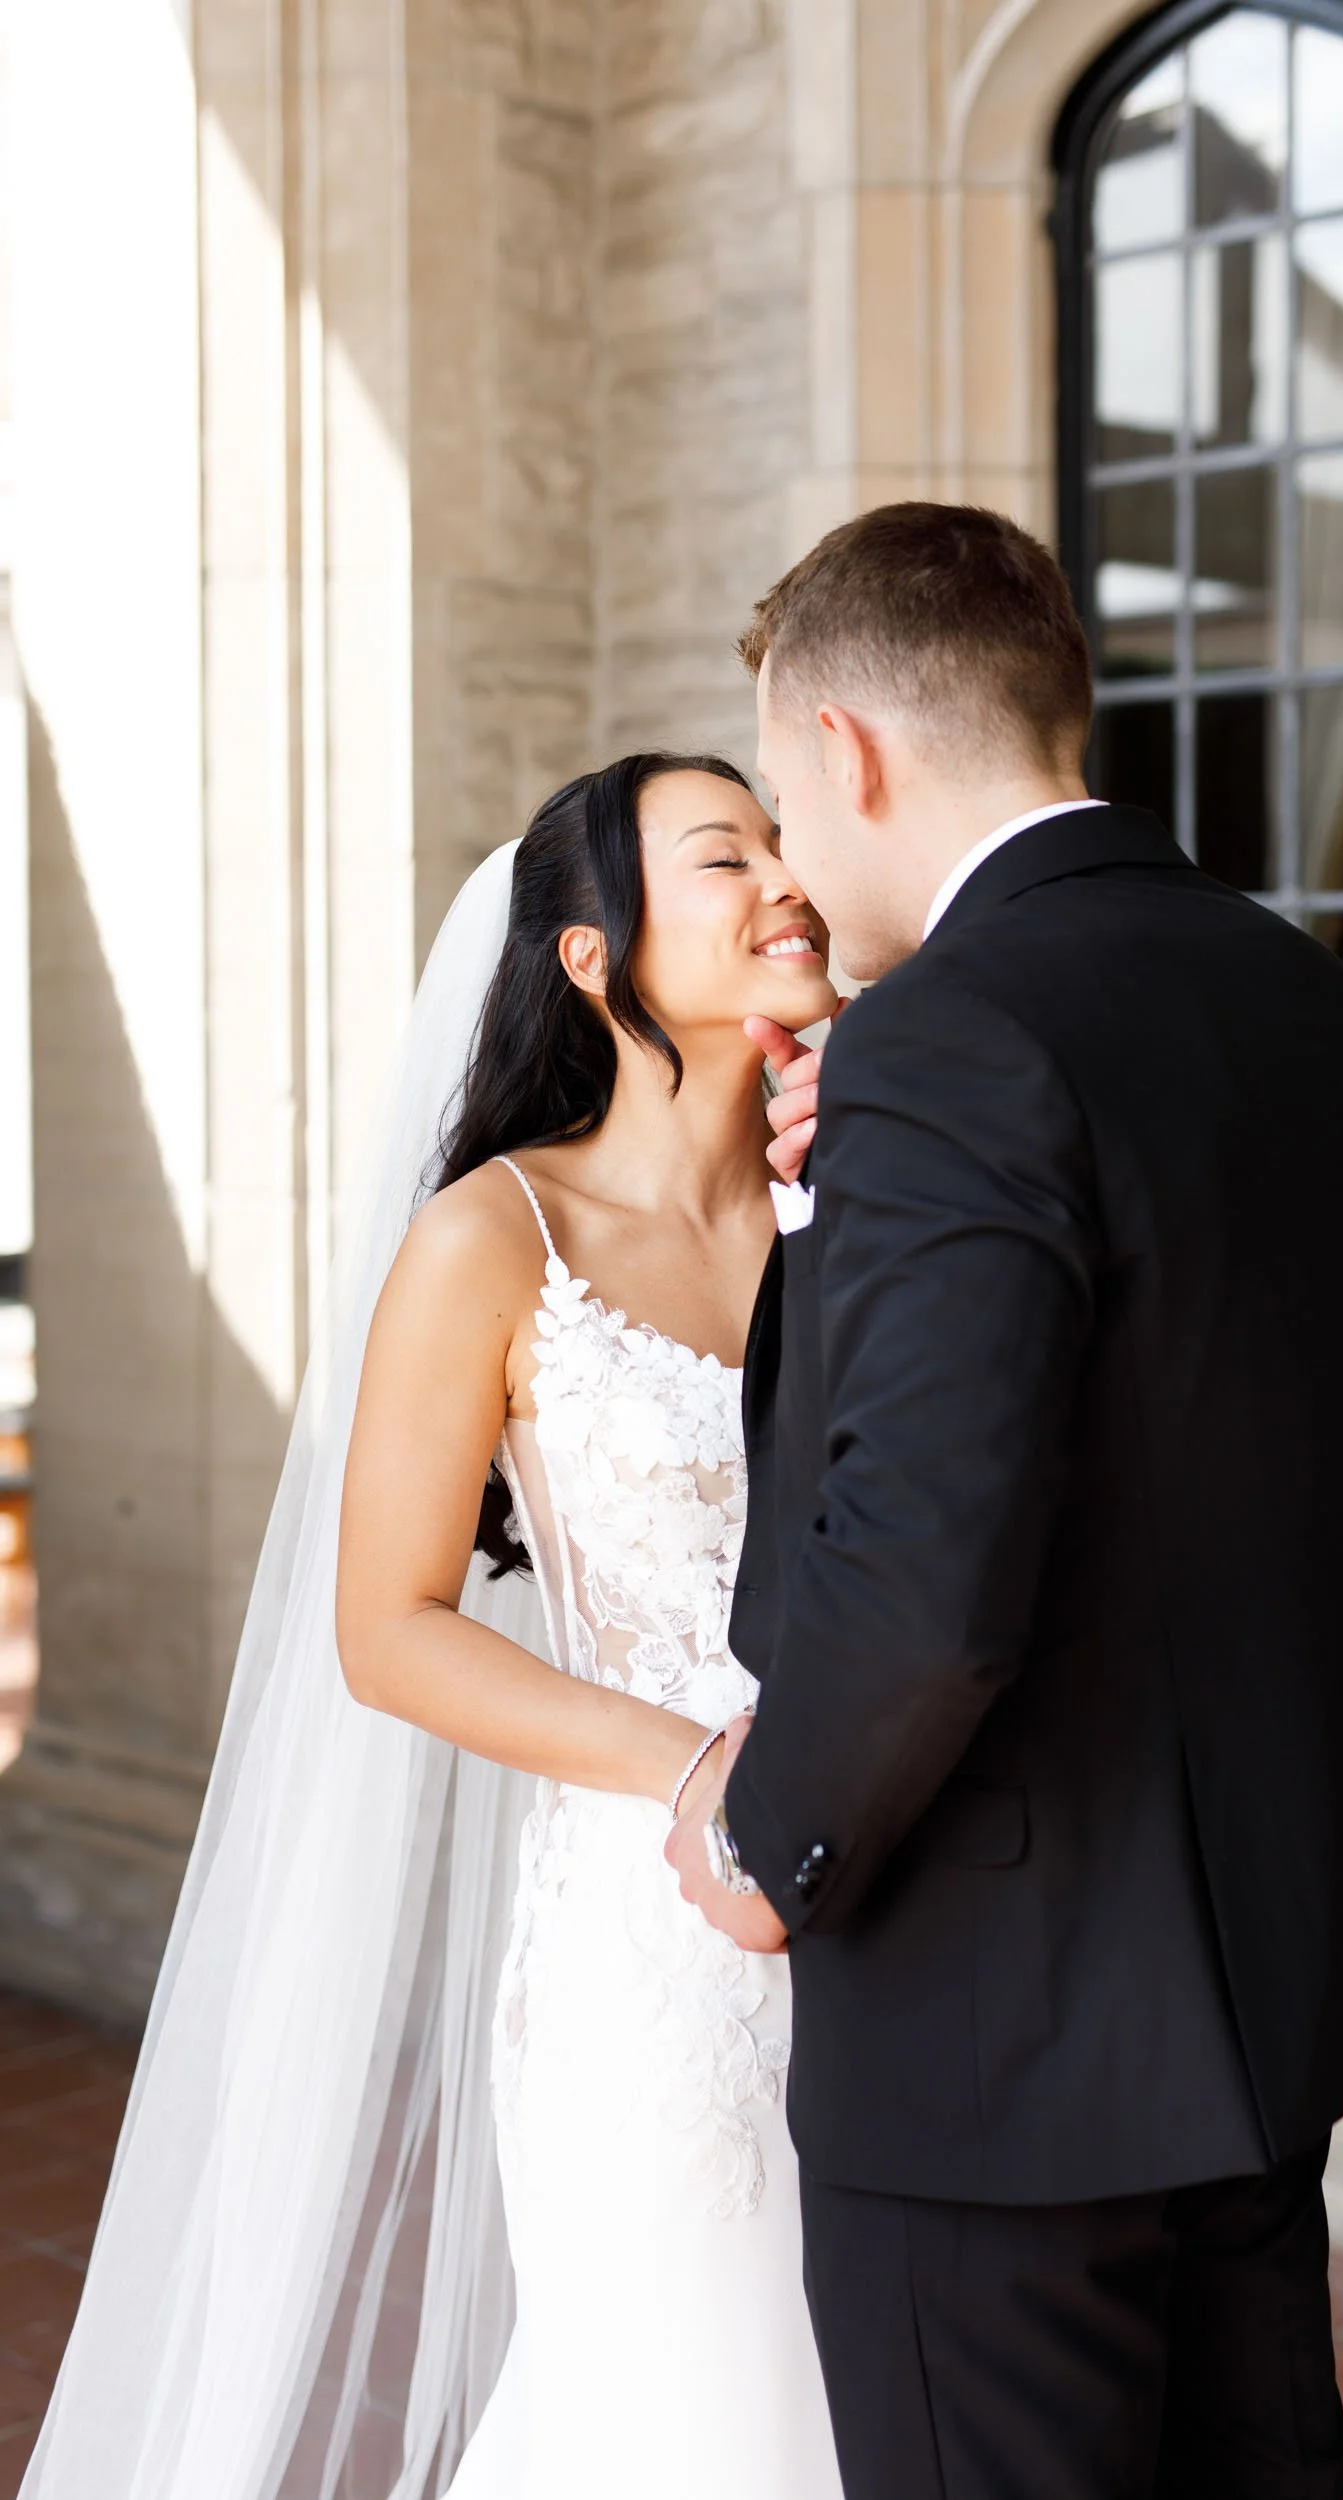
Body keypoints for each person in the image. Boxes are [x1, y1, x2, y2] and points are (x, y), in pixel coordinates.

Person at [670, 502, 1343, 2500]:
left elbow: (921, 1566)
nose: (789, 853)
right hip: (1259, 1962)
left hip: (1000, 2024)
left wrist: (769, 1833)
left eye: (783, 792)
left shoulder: (955, 1041)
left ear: (849, 752)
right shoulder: (1309, 1006)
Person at [20, 754, 844, 2500]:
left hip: (887, 1919)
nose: (787, 879)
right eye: (725, 858)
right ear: (592, 955)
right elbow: (388, 1628)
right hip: (650, 1951)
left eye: (783, 843)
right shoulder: (495, 1236)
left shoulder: (843, 1211)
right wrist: (699, 1770)